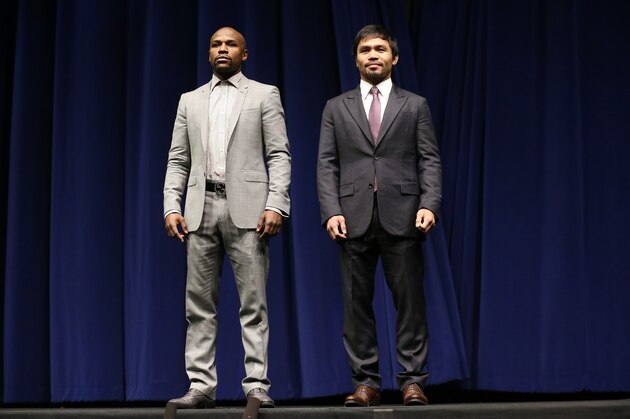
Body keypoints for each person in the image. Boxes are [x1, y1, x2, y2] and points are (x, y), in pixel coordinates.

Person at [163, 27, 291, 410]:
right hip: (200, 211)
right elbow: (178, 159)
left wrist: (276, 203)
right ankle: (201, 384)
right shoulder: (190, 100)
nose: (223, 49)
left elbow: (280, 155)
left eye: (230, 44)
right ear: (208, 54)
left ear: (244, 54)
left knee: (253, 304)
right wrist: (172, 204)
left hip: (249, 210)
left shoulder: (264, 94)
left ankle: (256, 385)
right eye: (216, 44)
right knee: (198, 304)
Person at [317, 24, 441, 407]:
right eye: (366, 50)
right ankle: (366, 383)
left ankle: (412, 382)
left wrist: (429, 203)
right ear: (356, 59)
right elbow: (326, 164)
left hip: (403, 215)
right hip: (352, 218)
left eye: (380, 49)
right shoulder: (336, 107)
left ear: (394, 58)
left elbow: (429, 159)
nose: (373, 55)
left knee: (410, 303)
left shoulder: (415, 104)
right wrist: (331, 212)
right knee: (356, 306)